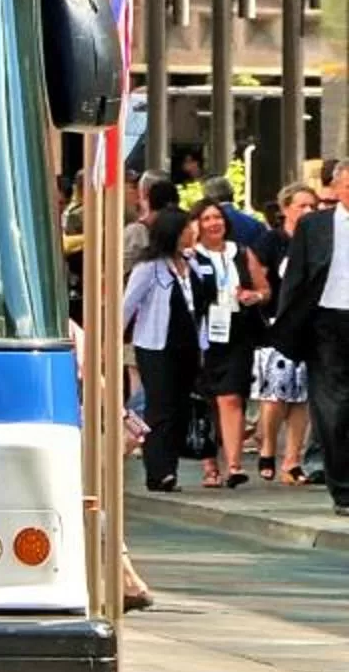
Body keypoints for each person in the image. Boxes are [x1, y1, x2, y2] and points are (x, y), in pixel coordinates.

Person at [267, 155, 349, 513]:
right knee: (332, 408)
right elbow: (295, 279)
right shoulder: (315, 226)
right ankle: (343, 487)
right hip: (326, 323)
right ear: (337, 188)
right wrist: (288, 328)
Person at [124, 205, 206, 494]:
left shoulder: (191, 263)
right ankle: (159, 471)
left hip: (188, 344)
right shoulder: (150, 267)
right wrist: (109, 342)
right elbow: (128, 305)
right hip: (157, 345)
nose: (191, 233)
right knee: (160, 407)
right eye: (185, 228)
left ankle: (171, 465)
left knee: (181, 406)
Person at [189, 199, 267, 487]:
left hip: (237, 330)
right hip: (203, 333)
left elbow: (264, 288)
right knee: (206, 399)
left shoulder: (241, 252)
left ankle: (234, 465)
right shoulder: (190, 257)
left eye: (217, 217)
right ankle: (210, 465)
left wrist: (254, 296)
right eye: (206, 218)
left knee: (232, 396)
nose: (213, 223)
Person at [255, 184, 321, 485]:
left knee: (302, 395)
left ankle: (292, 458)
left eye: (313, 206)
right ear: (285, 209)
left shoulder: (320, 239)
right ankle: (268, 446)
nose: (308, 212)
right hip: (277, 325)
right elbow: (257, 274)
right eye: (301, 206)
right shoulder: (272, 241)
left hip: (311, 324)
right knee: (276, 393)